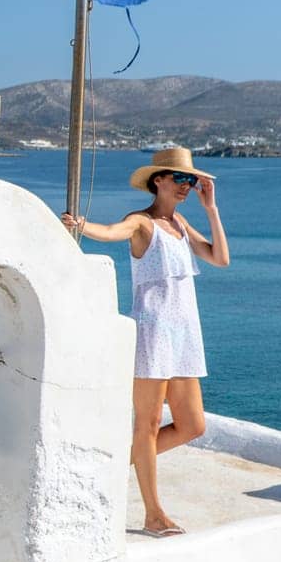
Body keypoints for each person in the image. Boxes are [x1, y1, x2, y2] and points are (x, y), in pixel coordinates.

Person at [61, 147, 230, 537]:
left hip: (184, 336)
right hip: (153, 333)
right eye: (181, 179)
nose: (188, 186)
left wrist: (211, 209)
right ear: (159, 180)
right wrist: (82, 225)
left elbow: (220, 258)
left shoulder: (182, 225)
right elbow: (111, 232)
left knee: (192, 425)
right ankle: (153, 514)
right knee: (149, 425)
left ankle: (119, 461)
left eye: (191, 180)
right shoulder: (142, 223)